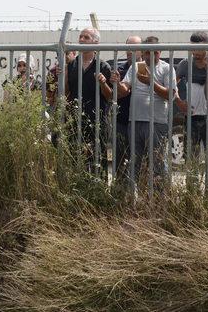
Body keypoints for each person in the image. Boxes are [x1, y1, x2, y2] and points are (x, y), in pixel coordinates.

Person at [113, 36, 177, 192]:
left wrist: (151, 82)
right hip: (134, 121)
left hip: (157, 122)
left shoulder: (166, 68)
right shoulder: (135, 66)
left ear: (159, 52)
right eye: (147, 52)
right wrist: (117, 82)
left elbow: (171, 95)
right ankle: (132, 199)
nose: (150, 56)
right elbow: (124, 90)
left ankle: (161, 199)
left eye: (154, 53)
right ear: (143, 52)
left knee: (158, 162)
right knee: (134, 162)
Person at [66, 28, 113, 177]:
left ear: (96, 42)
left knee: (98, 160)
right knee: (75, 159)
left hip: (97, 122)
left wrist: (103, 83)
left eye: (86, 37)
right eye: (80, 36)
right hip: (75, 121)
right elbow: (66, 92)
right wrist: (62, 77)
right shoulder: (72, 65)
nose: (81, 39)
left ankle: (99, 191)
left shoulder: (103, 66)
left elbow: (110, 96)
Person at [175, 32, 208, 191]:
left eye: (198, 49)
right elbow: (173, 86)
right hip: (191, 118)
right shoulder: (185, 64)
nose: (195, 52)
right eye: (192, 49)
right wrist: (179, 102)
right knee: (192, 158)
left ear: (206, 47)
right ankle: (192, 193)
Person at [111, 35, 142, 200]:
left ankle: (144, 199)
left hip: (142, 122)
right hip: (122, 121)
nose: (130, 51)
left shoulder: (146, 67)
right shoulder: (119, 69)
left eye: (134, 48)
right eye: (128, 47)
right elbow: (115, 95)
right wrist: (115, 82)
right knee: (121, 161)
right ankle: (121, 199)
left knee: (142, 162)